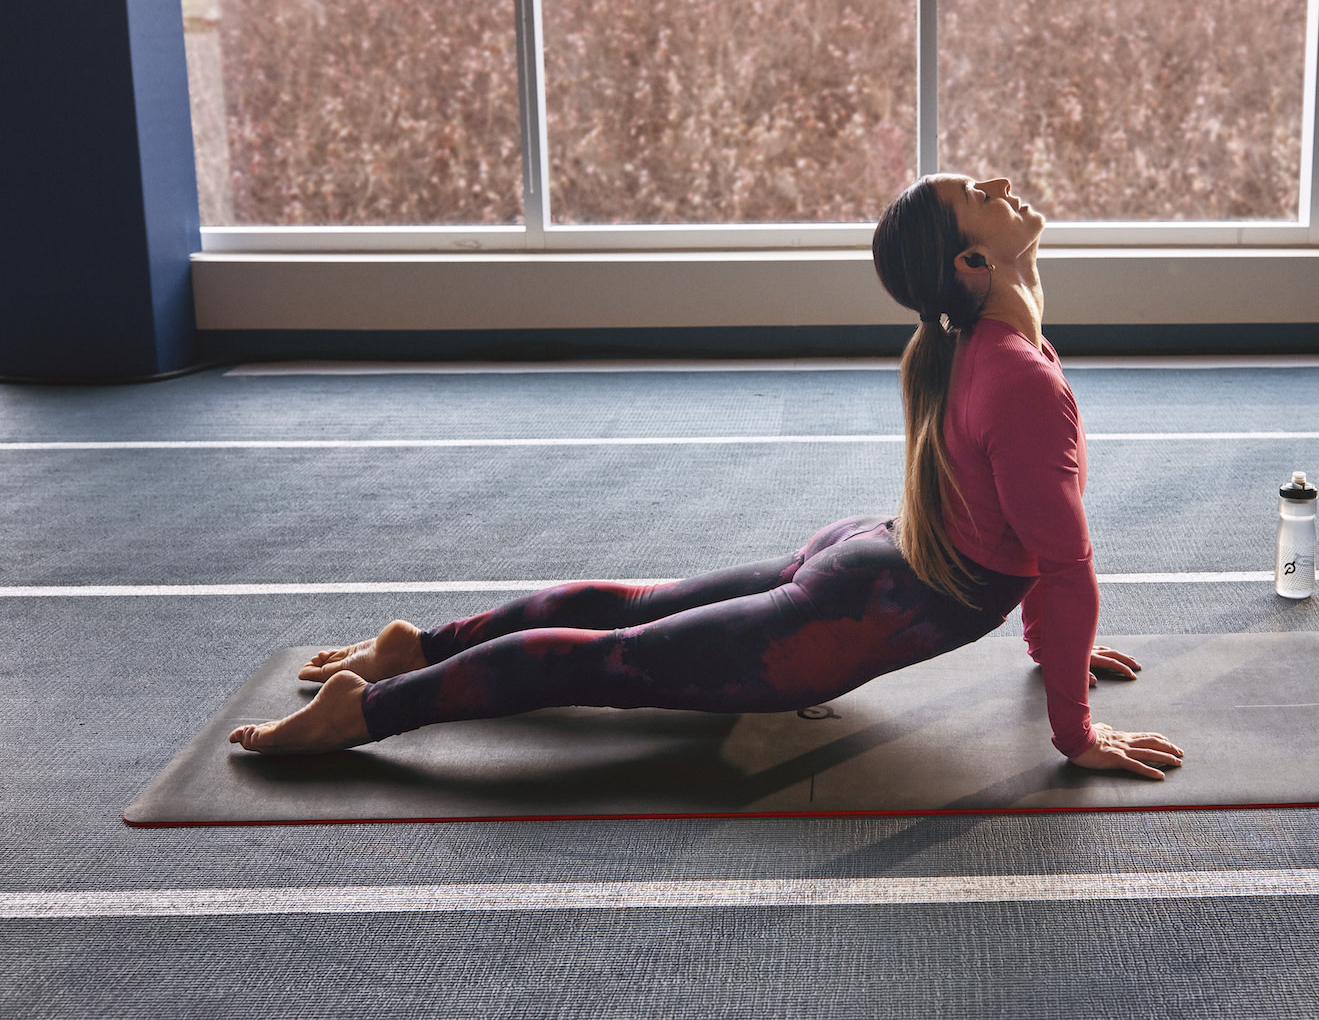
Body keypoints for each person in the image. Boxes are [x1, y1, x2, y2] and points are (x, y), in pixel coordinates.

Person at [229, 175, 1184, 781]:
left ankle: (416, 643)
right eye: (979, 190)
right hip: (849, 613)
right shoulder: (1021, 372)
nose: (1002, 179)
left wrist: (1057, 645)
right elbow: (1059, 564)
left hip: (864, 557)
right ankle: (368, 708)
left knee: (635, 606)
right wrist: (1076, 731)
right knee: (602, 658)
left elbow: (1008, 523)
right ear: (974, 261)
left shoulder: (981, 344)